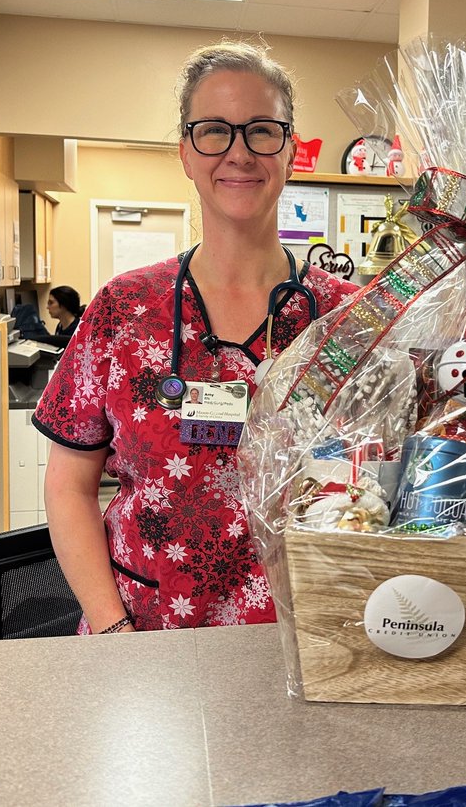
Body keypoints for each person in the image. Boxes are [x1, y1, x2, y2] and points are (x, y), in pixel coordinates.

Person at [33, 41, 359, 634]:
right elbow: (68, 485)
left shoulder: (347, 321)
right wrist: (111, 628)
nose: (238, 153)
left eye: (262, 130)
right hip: (146, 637)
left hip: (309, 640)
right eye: (214, 131)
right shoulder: (125, 308)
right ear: (185, 151)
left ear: (291, 149)